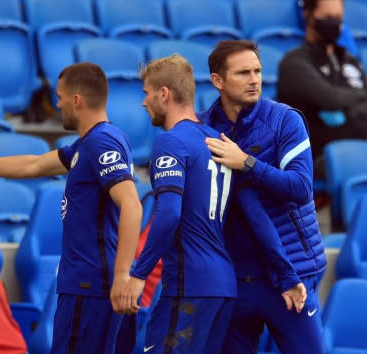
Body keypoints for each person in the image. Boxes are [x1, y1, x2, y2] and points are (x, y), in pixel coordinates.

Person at [129, 55, 306, 354]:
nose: (144, 103)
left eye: (146, 93)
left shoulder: (170, 142)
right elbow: (255, 213)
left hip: (189, 286)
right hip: (224, 288)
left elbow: (169, 213)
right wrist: (287, 273)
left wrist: (138, 273)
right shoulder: (219, 143)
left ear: (163, 94)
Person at [0, 62, 143, 353]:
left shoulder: (102, 141)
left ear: (76, 100)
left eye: (60, 96)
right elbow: (33, 164)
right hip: (83, 284)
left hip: (91, 286)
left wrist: (121, 277)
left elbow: (131, 204)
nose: (57, 103)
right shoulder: (86, 145)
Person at [199, 40, 327, 354]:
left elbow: (300, 187)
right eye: (243, 73)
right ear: (218, 80)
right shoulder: (202, 129)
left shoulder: (285, 120)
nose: (254, 79)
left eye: (257, 71)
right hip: (234, 277)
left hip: (290, 270)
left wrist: (246, 163)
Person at [277, 0, 367, 177]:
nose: (333, 24)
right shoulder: (294, 63)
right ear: (308, 15)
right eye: (327, 17)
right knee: (354, 163)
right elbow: (331, 99)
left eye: (337, 18)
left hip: (365, 146)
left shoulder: (348, 59)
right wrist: (361, 96)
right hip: (319, 158)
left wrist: (349, 113)